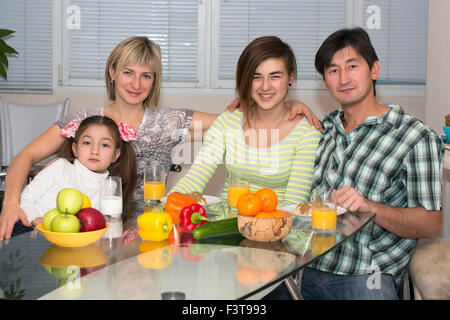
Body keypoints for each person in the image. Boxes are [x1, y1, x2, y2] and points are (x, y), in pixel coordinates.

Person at [0, 36, 319, 240]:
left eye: (146, 75)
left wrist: (288, 105)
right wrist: (11, 204)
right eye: (128, 72)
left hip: (148, 233)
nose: (136, 83)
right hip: (78, 231)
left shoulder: (168, 121)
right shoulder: (84, 121)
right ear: (112, 71)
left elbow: (240, 120)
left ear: (154, 81)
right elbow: (23, 158)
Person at [297, 27, 443, 300]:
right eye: (333, 71)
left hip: (365, 277)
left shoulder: (414, 136)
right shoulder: (323, 129)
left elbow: (432, 222)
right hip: (305, 268)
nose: (343, 78)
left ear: (374, 70)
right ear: (325, 81)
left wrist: (370, 208)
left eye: (352, 66)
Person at [170, 36, 321, 205]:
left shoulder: (307, 132)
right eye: (256, 77)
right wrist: (166, 206)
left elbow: (294, 203)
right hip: (228, 225)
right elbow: (196, 178)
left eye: (275, 76)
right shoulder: (229, 120)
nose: (265, 86)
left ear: (290, 77)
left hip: (280, 227)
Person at [19, 115, 137, 227]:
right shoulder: (61, 167)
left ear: (115, 155)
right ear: (75, 149)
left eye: (105, 145)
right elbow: (27, 197)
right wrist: (36, 220)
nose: (94, 150)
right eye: (87, 143)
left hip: (73, 238)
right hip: (30, 228)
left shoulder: (110, 186)